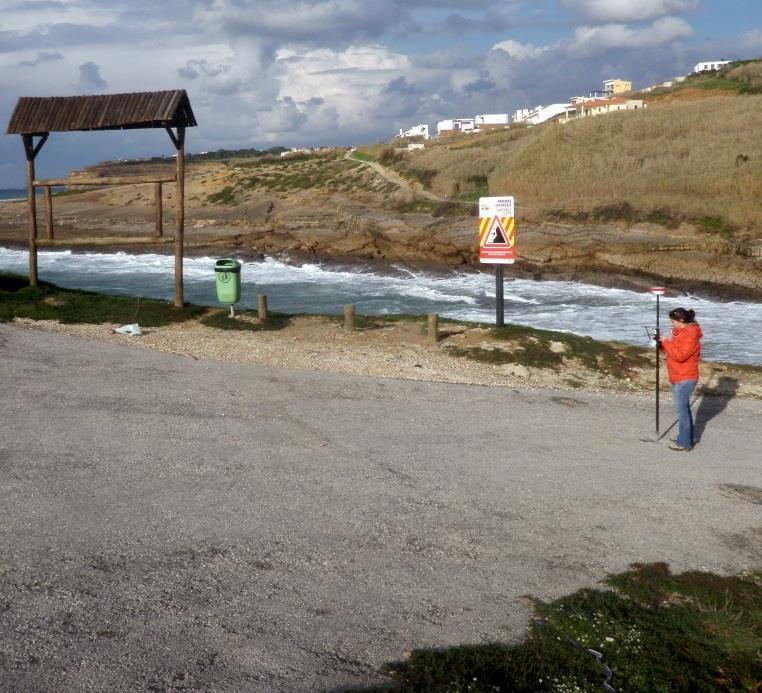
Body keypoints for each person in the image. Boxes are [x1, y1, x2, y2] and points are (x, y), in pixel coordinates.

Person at [658, 308, 703, 451]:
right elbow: (673, 351)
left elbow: (680, 355)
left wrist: (666, 342)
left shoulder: (689, 335)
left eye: (673, 321)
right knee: (684, 409)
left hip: (685, 377)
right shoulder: (681, 333)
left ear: (682, 321)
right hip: (678, 375)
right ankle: (687, 436)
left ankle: (684, 443)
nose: (671, 324)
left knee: (681, 410)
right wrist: (661, 345)